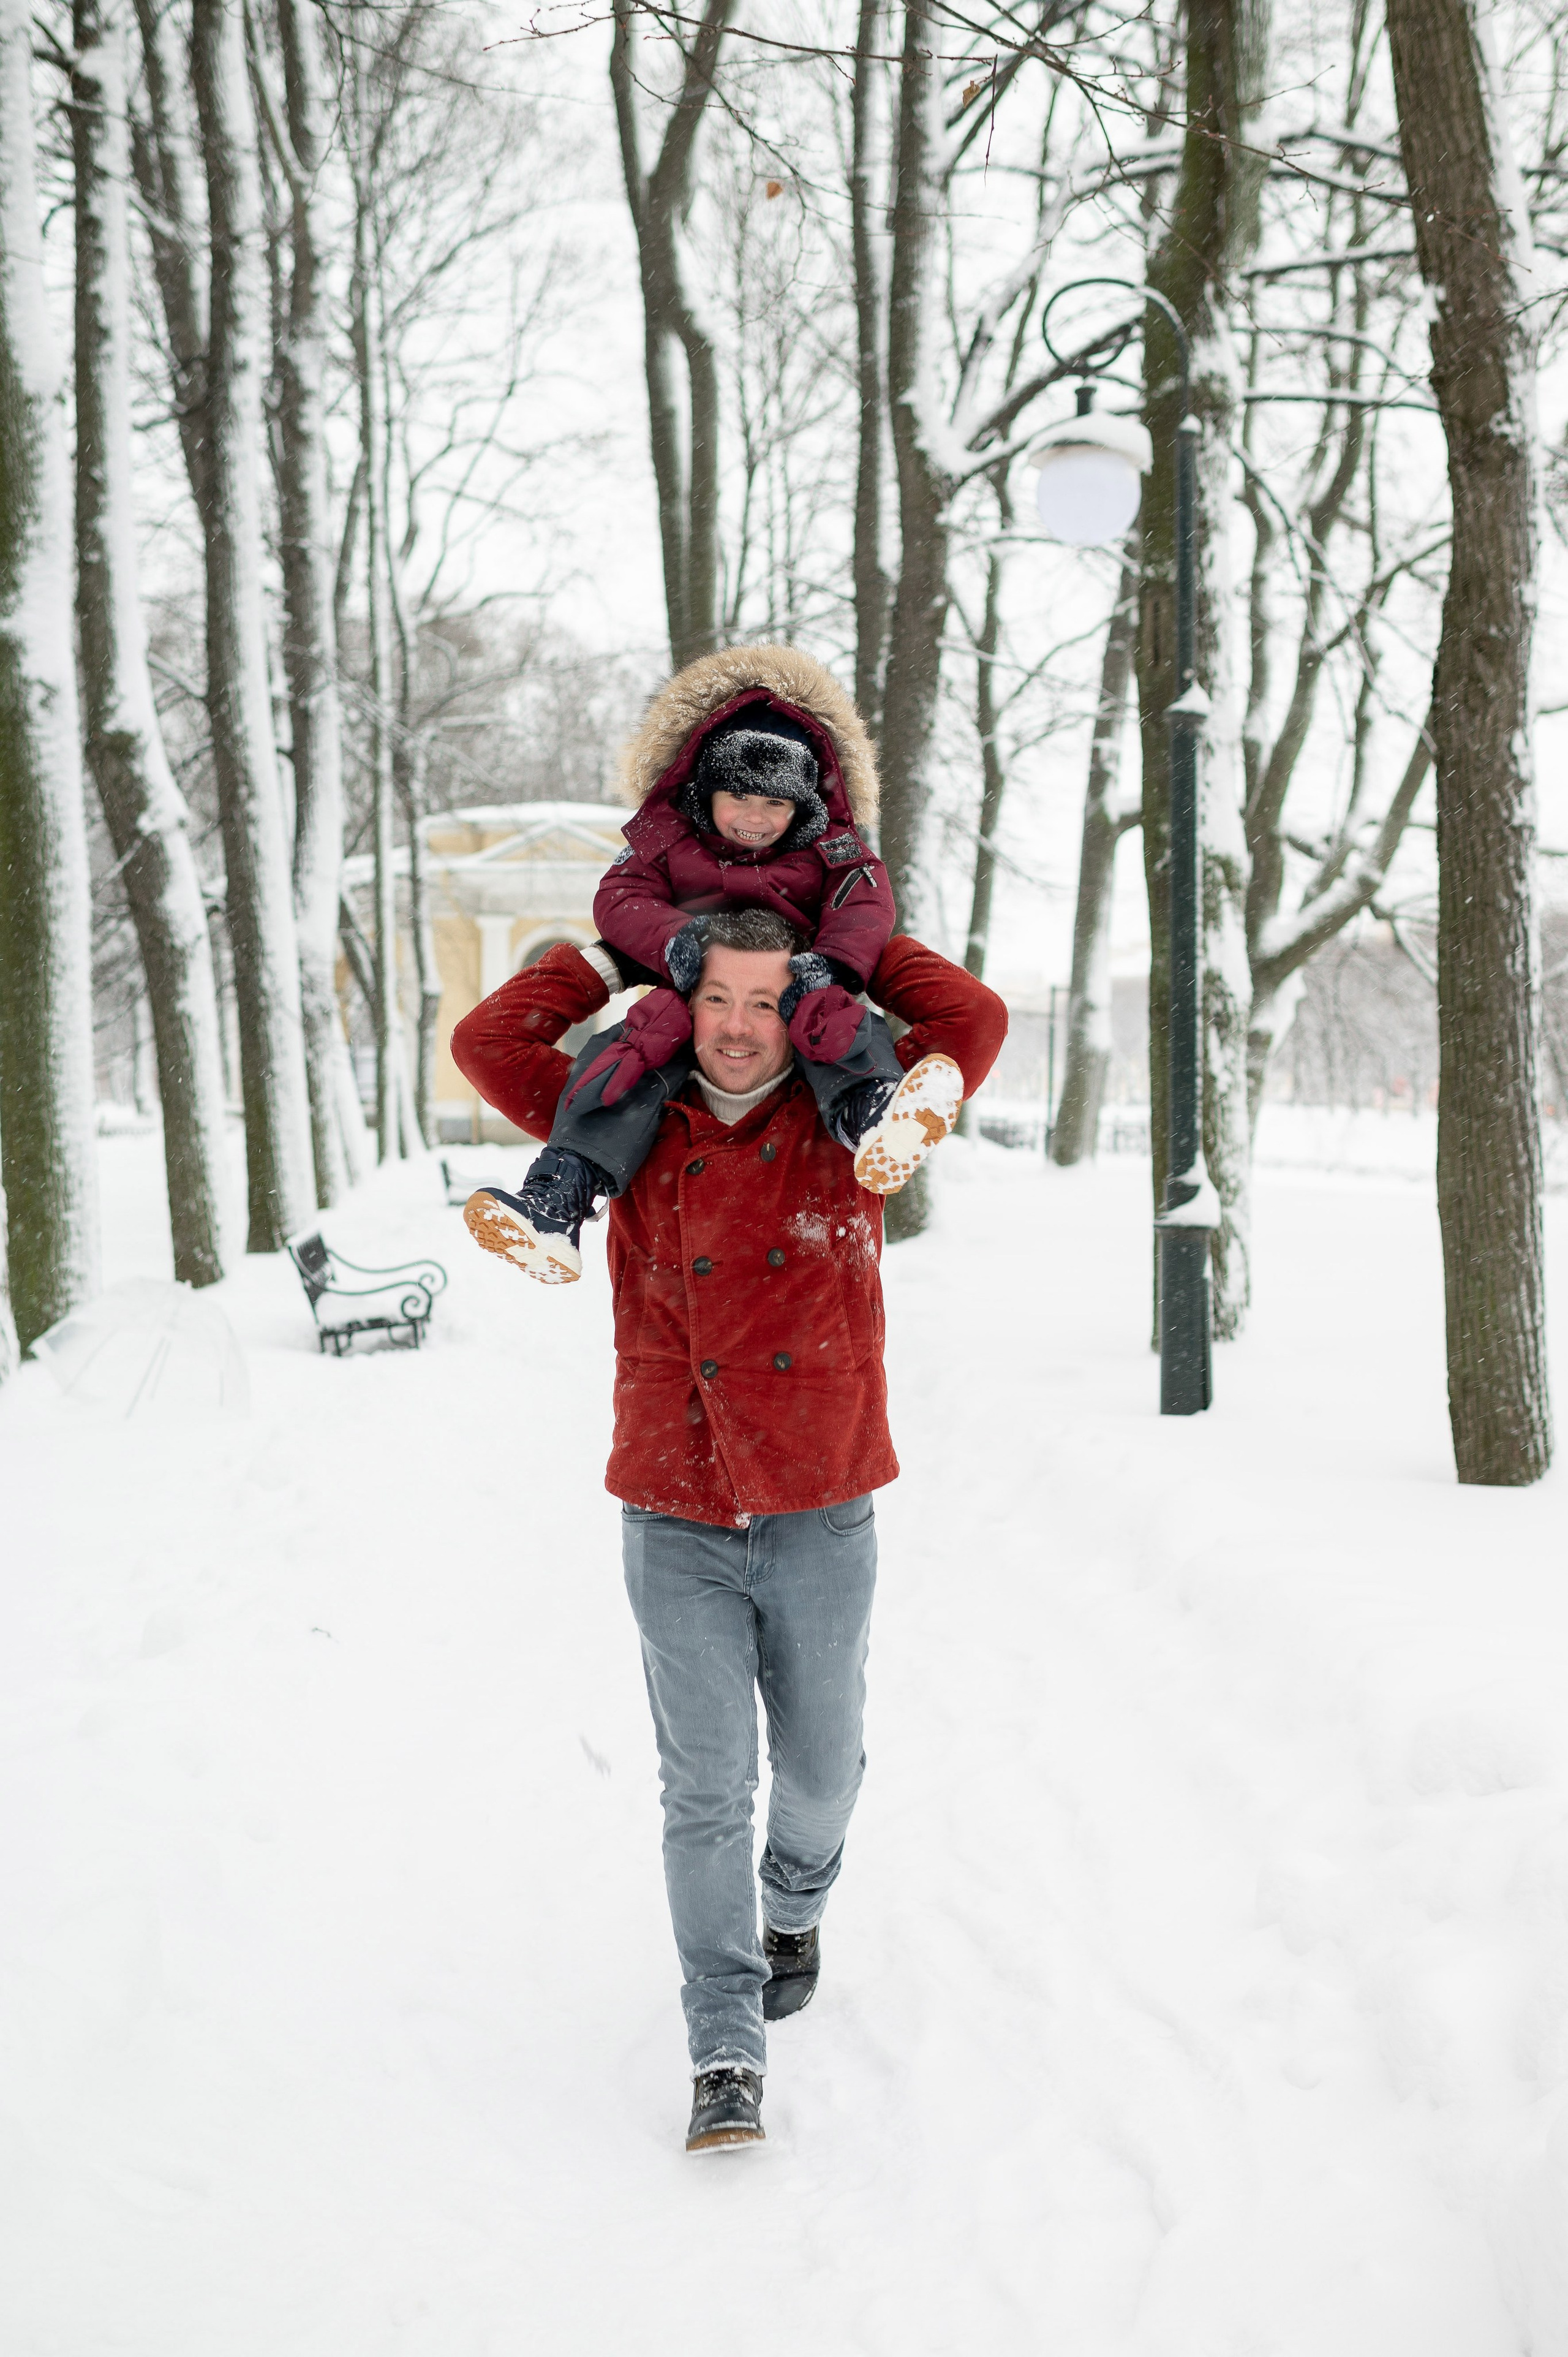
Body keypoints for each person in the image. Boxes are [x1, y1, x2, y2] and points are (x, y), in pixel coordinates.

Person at [450, 908, 1006, 2151]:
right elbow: (491, 1038)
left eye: (767, 1000)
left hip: (819, 1494)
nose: (742, 1027)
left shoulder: (851, 1126)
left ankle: (794, 1904)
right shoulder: (632, 1113)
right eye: (719, 1000)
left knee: (817, 1770)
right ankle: (722, 2040)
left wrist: (862, 950)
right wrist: (603, 958)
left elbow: (967, 1026)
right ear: (682, 1001)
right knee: (704, 1789)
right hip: (675, 1499)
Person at [460, 648, 963, 1284]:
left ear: (803, 807)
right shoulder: (666, 838)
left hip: (799, 983)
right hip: (686, 986)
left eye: (775, 807)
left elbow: (865, 902)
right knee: (623, 1064)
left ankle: (874, 1118)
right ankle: (558, 1201)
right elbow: (620, 898)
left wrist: (839, 967)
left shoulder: (832, 850)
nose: (755, 819)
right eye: (740, 798)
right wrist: (665, 943)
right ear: (706, 793)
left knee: (836, 1027)